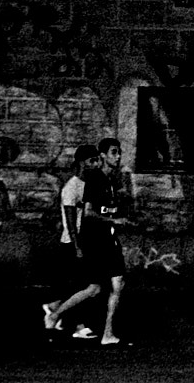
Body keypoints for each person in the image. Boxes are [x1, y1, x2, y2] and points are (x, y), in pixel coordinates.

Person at [40, 143, 130, 344]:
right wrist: (77, 245)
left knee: (93, 286)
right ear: (83, 162)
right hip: (78, 241)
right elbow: (75, 219)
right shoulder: (75, 186)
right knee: (88, 287)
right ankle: (62, 315)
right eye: (92, 160)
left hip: (93, 238)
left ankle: (63, 315)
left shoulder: (96, 181)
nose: (95, 164)